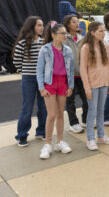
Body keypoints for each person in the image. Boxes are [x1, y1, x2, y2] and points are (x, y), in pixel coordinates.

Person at [37, 22, 74, 159]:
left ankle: (59, 142)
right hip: (50, 83)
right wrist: (41, 88)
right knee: (51, 114)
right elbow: (39, 70)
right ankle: (47, 144)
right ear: (53, 35)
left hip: (63, 83)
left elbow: (70, 71)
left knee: (60, 114)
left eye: (66, 33)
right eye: (62, 33)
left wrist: (70, 86)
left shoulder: (68, 51)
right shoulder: (45, 50)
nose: (65, 35)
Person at [80, 21, 109, 151]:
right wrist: (87, 88)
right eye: (100, 31)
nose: (103, 33)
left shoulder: (104, 46)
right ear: (92, 32)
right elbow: (83, 69)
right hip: (93, 85)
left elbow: (108, 66)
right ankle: (90, 139)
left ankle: (101, 136)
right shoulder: (86, 48)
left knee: (101, 110)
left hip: (104, 83)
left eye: (104, 31)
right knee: (92, 111)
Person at [13, 16, 47, 147]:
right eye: (39, 25)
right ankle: (22, 135)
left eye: (42, 25)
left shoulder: (44, 42)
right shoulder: (23, 43)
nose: (42, 28)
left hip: (43, 79)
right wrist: (25, 72)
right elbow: (16, 61)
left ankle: (42, 131)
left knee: (43, 107)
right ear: (32, 26)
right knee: (27, 107)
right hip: (28, 79)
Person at [63, 15, 86, 133]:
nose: (77, 24)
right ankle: (73, 123)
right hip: (68, 76)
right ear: (67, 24)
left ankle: (86, 120)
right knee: (70, 101)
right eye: (74, 22)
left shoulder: (82, 38)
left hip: (82, 75)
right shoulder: (63, 39)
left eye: (77, 22)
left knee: (86, 99)